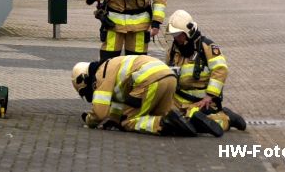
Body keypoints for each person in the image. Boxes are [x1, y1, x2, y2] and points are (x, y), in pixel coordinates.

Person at [71, 55, 203, 136]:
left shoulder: (100, 75)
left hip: (150, 81)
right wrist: (114, 119)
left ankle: (163, 124)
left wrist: (89, 120)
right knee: (162, 114)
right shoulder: (111, 64)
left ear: (85, 78)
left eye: (85, 91)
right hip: (169, 78)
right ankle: (190, 118)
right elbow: (119, 101)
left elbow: (99, 114)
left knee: (128, 122)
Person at [165, 10, 246, 135]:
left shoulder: (207, 47)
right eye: (173, 34)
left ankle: (227, 119)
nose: (175, 38)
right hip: (178, 100)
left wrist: (209, 96)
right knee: (167, 117)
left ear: (188, 32)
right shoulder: (173, 50)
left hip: (203, 102)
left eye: (177, 34)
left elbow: (220, 70)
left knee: (195, 122)